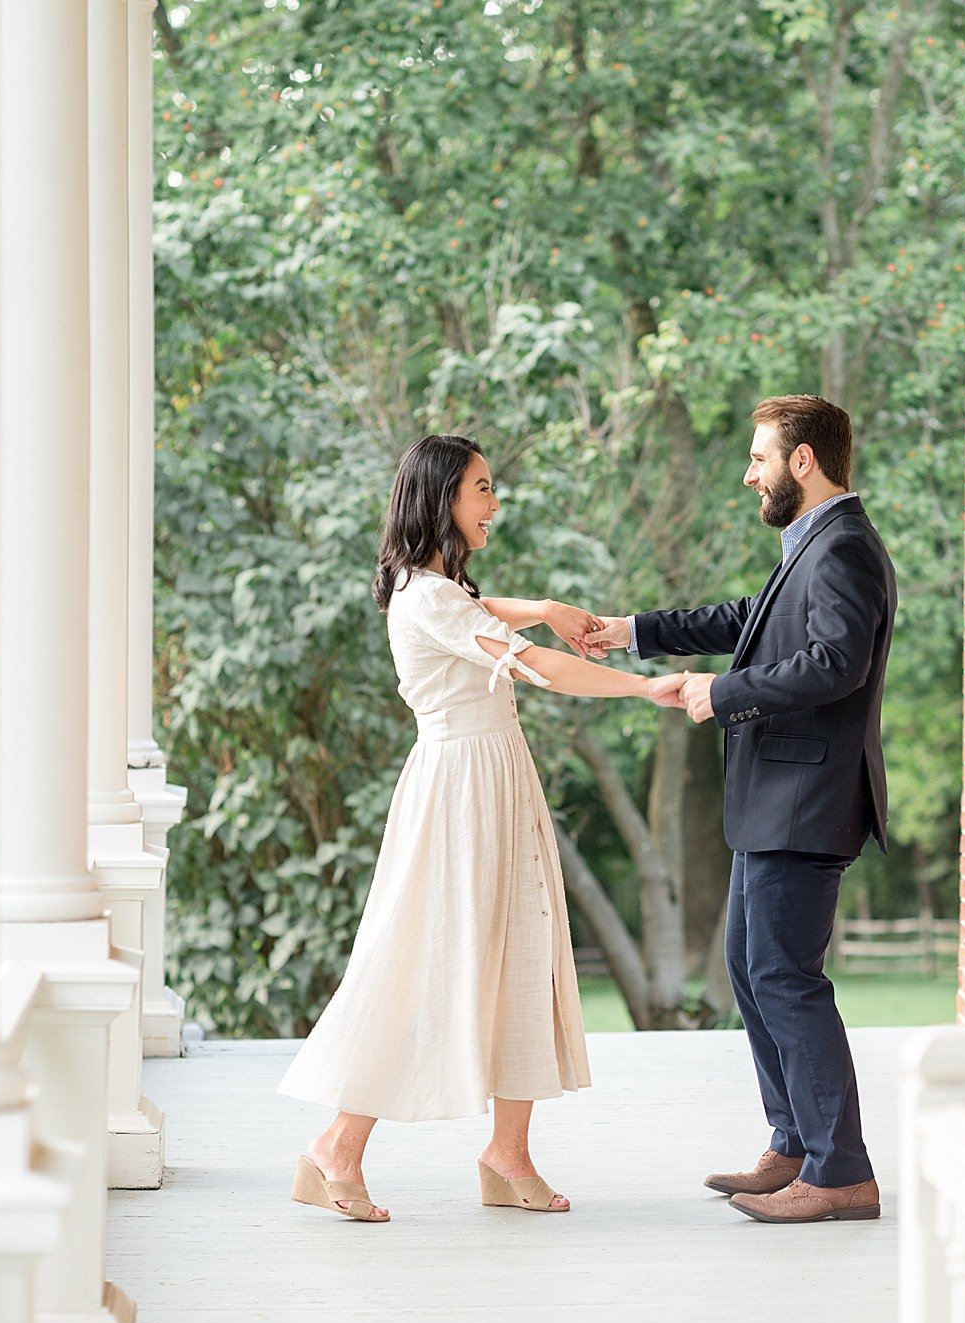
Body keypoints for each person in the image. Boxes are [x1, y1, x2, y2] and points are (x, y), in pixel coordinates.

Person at [276, 433, 683, 1222]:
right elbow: (540, 667)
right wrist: (642, 689)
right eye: (482, 489)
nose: (495, 503)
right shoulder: (427, 598)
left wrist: (541, 607)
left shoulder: (434, 590)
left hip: (494, 780)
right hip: (459, 793)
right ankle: (336, 1147)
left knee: (521, 954)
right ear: (443, 499)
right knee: (427, 963)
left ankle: (509, 1153)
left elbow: (480, 611)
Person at [582, 394, 897, 1224]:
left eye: (760, 457)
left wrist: (722, 693)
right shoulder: (812, 545)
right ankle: (793, 1143)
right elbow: (750, 622)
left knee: (785, 979)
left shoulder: (845, 549)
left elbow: (836, 665)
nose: (747, 473)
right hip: (775, 801)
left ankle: (841, 1173)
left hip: (808, 799)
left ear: (803, 462)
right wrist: (631, 630)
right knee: (752, 973)